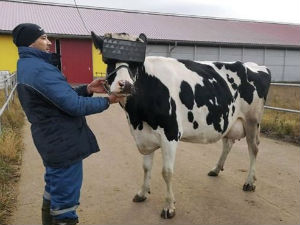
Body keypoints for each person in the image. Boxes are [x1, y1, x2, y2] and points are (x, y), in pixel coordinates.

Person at [12, 23, 122, 225]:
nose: (49, 42)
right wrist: (108, 101)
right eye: (43, 37)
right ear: (30, 42)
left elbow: (58, 98)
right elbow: (74, 106)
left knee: (54, 189)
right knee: (65, 204)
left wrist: (87, 89)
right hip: (62, 144)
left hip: (52, 140)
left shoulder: (30, 66)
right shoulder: (40, 70)